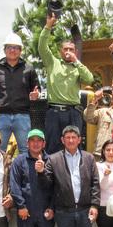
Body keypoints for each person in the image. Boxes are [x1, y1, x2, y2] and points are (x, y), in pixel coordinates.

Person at [36, 125, 100, 227]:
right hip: (64, 210)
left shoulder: (89, 158)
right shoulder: (54, 159)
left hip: (85, 208)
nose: (71, 140)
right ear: (62, 140)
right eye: (67, 138)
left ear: (79, 140)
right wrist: (42, 172)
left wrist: (94, 205)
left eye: (74, 137)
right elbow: (47, 184)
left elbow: (95, 183)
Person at [9, 129, 59, 227]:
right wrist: (21, 206)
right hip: (26, 210)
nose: (36, 143)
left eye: (39, 140)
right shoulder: (19, 161)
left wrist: (52, 207)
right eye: (32, 140)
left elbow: (56, 187)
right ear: (27, 143)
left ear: (44, 143)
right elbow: (15, 186)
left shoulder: (50, 160)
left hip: (45, 210)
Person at [39, 13, 94, 154]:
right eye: (66, 49)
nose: (68, 52)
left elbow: (89, 79)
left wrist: (77, 62)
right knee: (52, 148)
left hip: (73, 113)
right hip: (54, 112)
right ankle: (51, 175)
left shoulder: (78, 68)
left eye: (71, 49)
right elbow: (42, 47)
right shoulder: (52, 63)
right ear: (61, 51)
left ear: (75, 51)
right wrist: (48, 26)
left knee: (73, 149)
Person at [0, 33, 40, 155]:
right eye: (9, 47)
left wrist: (36, 95)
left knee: (26, 150)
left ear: (21, 50)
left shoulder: (29, 69)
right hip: (1, 116)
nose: (12, 50)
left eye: (16, 48)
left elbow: (37, 90)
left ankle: (24, 174)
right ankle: (1, 175)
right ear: (4, 49)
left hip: (22, 116)